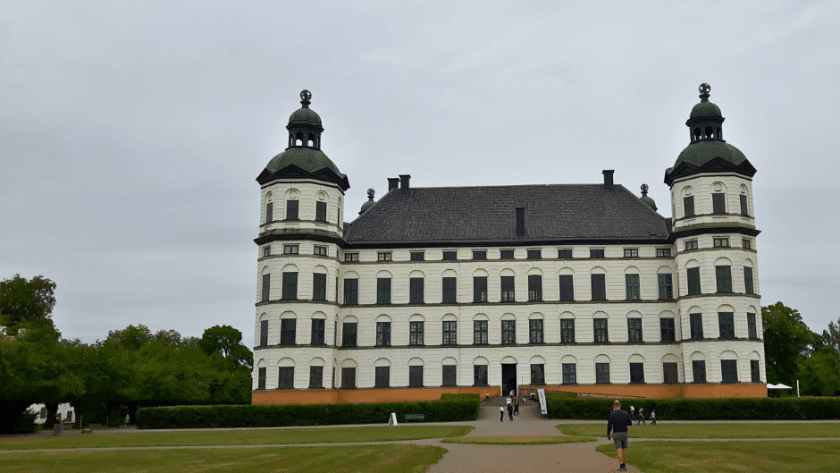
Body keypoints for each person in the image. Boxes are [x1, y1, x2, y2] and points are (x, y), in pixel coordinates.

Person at [607, 400, 632, 471]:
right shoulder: (625, 412)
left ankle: (621, 466)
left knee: (619, 449)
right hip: (624, 433)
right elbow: (630, 423)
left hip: (616, 433)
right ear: (620, 405)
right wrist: (623, 423)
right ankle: (625, 465)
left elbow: (609, 425)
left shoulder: (612, 413)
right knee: (624, 448)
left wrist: (608, 434)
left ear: (614, 405)